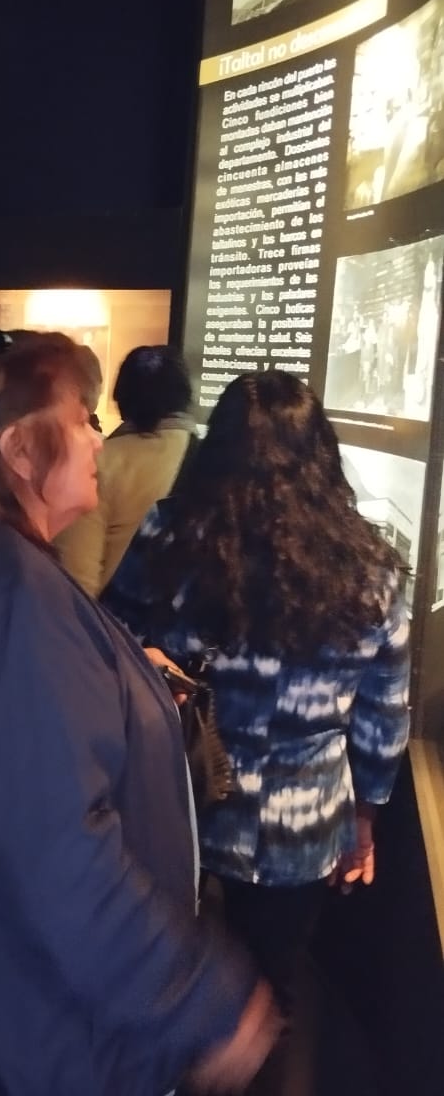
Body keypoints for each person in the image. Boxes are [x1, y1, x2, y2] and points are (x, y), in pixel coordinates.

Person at [0, 326, 279, 1096]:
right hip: (5, 1030)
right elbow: (58, 852)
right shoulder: (6, 601)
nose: (98, 442)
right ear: (21, 450)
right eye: (81, 420)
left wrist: (119, 676)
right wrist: (199, 1002)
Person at [101, 370, 410, 1025]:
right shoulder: (370, 566)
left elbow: (113, 638)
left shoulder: (171, 536)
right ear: (320, 451)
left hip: (182, 793)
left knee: (162, 975)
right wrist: (365, 818)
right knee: (271, 989)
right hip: (301, 820)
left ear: (217, 445)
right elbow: (383, 713)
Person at [57, 344, 195, 596]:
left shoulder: (98, 463)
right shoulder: (213, 458)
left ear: (121, 397)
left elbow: (78, 583)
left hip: (121, 628)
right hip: (184, 631)